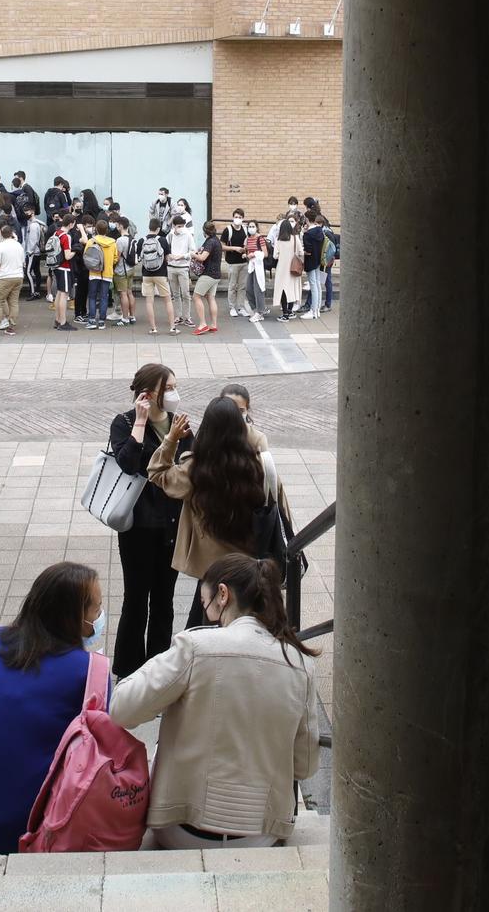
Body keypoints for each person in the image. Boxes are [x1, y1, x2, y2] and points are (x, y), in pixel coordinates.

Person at [110, 554, 321, 849]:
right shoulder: (300, 663)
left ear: (223, 594)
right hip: (260, 834)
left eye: (204, 603)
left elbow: (121, 708)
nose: (205, 612)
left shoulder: (196, 646)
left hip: (182, 828)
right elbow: (305, 765)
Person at [0, 562, 104, 853]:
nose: (100, 616)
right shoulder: (91, 671)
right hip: (25, 826)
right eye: (97, 609)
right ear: (75, 618)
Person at [149, 396, 281, 628]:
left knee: (203, 629)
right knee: (247, 627)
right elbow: (280, 511)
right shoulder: (259, 467)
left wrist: (171, 439)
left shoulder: (196, 470)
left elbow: (157, 473)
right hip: (247, 567)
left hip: (211, 570)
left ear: (206, 430)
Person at [108, 364, 188, 678]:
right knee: (136, 599)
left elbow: (187, 469)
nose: (173, 393)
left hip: (171, 524)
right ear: (149, 392)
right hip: (138, 527)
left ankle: (158, 672)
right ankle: (128, 671)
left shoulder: (179, 424)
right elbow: (128, 464)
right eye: (168, 388)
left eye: (174, 387)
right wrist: (140, 422)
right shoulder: (124, 422)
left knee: (164, 601)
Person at [0, 220, 25, 336]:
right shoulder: (19, 246)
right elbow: (23, 262)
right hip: (18, 276)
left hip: (4, 277)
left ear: (1, 234)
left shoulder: (0, 246)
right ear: (12, 233)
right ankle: (11, 327)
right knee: (13, 302)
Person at [189, 221, 223, 334]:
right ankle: (213, 324)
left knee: (196, 297)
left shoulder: (210, 242)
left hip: (208, 274)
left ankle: (203, 324)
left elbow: (203, 257)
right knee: (210, 298)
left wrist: (193, 255)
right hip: (216, 275)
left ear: (204, 231)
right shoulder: (216, 240)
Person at [270, 219, 304, 321]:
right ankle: (290, 311)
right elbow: (301, 252)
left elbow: (275, 256)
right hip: (293, 268)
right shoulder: (295, 238)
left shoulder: (279, 241)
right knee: (291, 289)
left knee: (283, 291)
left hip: (282, 269)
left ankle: (285, 314)